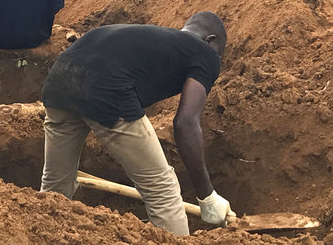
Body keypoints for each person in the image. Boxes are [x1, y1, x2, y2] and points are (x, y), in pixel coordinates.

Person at [40, 13, 232, 236]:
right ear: (210, 40)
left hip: (58, 81)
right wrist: (207, 197)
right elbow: (185, 123)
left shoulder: (152, 39)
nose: (216, 59)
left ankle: (38, 235)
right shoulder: (204, 52)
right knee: (162, 189)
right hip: (107, 89)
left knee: (55, 190)